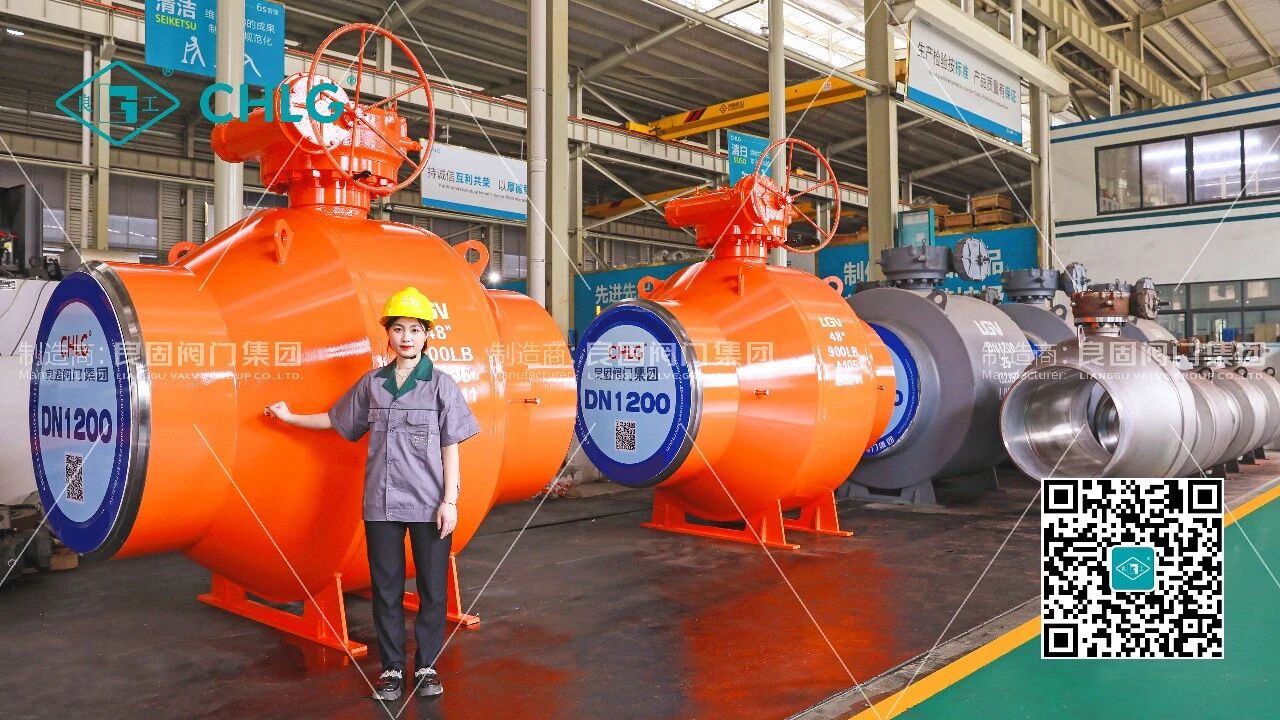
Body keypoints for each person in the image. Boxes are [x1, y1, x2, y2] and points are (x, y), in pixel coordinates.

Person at [266, 286, 481, 702]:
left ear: (427, 334)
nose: (406, 337)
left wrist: (450, 500)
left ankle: (427, 667)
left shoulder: (441, 386)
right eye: (398, 329)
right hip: (381, 504)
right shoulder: (373, 385)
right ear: (388, 334)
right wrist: (290, 417)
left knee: (433, 590)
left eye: (414, 329)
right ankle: (393, 669)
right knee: (386, 590)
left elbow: (450, 446)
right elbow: (336, 420)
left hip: (430, 504)